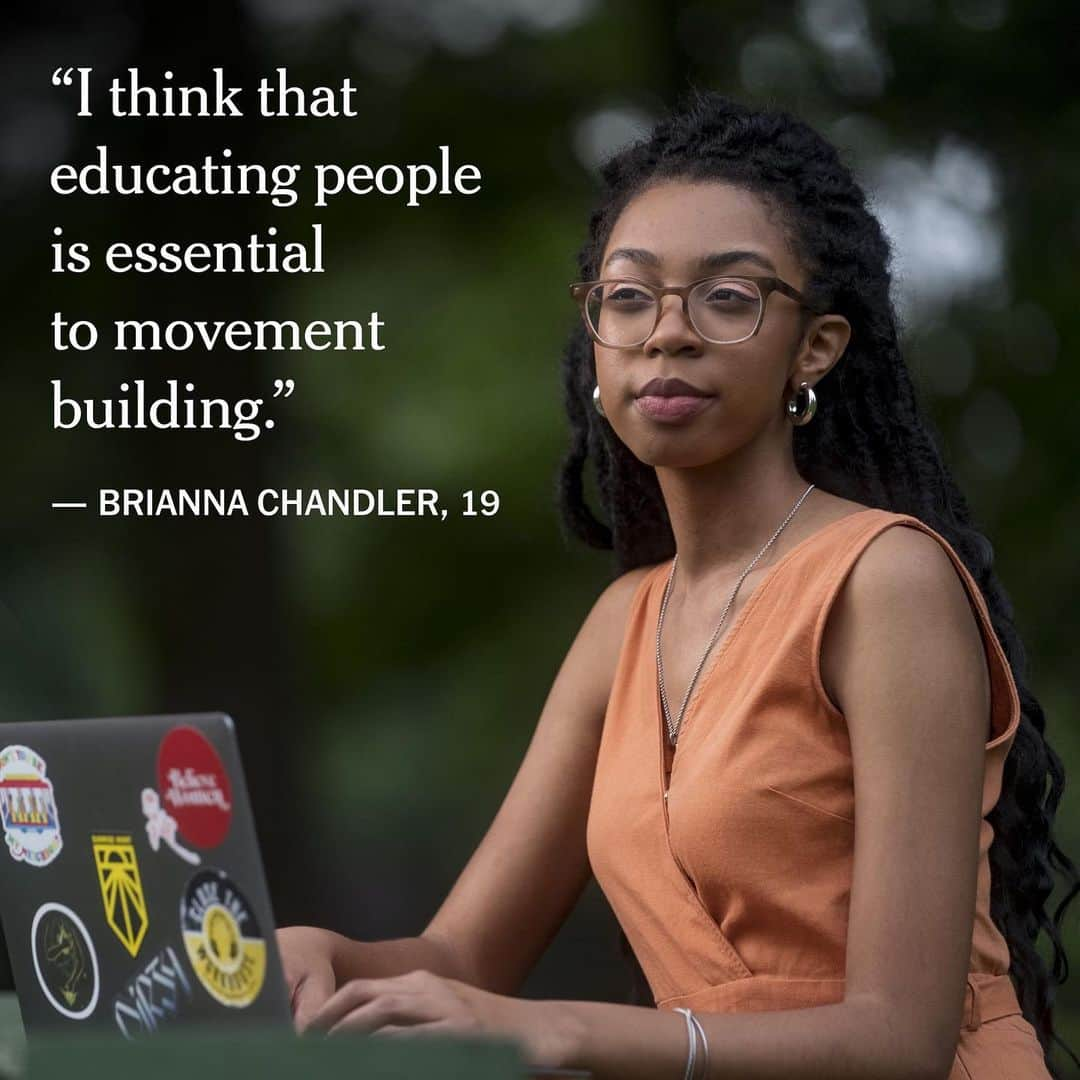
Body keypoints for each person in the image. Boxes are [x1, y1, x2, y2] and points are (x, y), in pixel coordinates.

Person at [276, 90, 1078, 1079]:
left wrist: (567, 1029)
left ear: (814, 349)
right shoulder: (625, 622)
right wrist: (325, 956)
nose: (668, 332)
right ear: (596, 340)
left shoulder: (885, 582)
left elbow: (898, 1038)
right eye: (628, 296)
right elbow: (460, 959)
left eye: (728, 298)